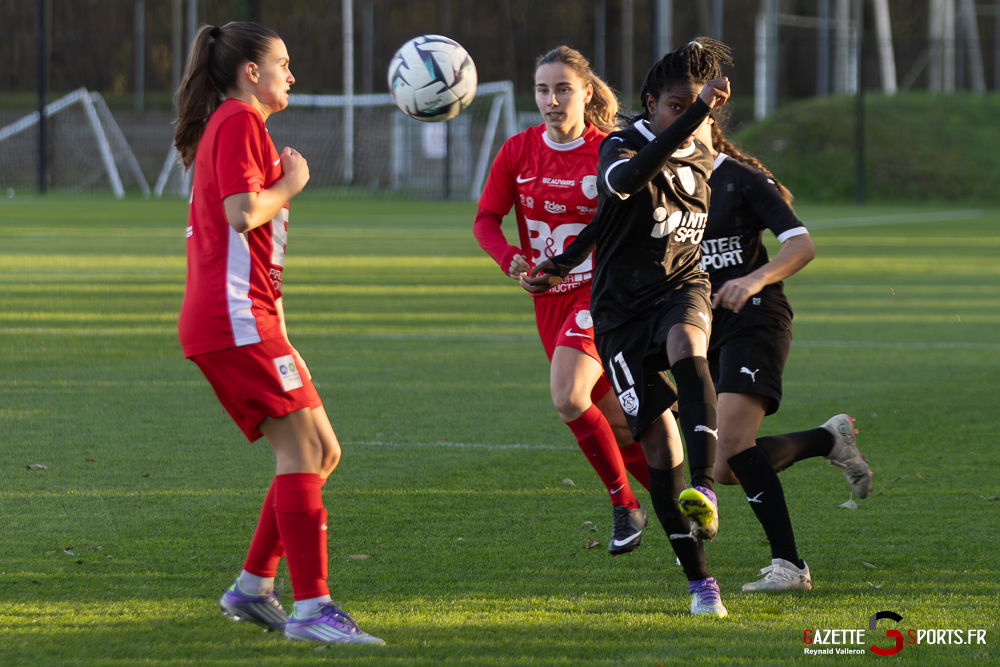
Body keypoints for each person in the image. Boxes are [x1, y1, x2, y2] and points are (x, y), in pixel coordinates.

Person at [174, 21, 382, 645]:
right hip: (231, 318)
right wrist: (292, 182)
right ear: (249, 72)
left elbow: (258, 245)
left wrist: (283, 332)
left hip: (252, 317)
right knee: (301, 454)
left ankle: (253, 586)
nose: (291, 75)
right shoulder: (237, 120)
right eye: (283, 64)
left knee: (323, 450)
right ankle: (312, 610)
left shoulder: (244, 126)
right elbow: (241, 215)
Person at [524, 38, 735, 617]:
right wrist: (563, 265)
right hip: (618, 313)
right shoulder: (620, 144)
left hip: (680, 286)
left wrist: (698, 123)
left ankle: (708, 488)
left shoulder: (703, 151)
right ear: (650, 105)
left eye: (697, 107)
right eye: (675, 106)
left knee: (689, 344)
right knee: (658, 447)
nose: (689, 116)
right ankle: (700, 583)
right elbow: (617, 194)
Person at [473, 46, 652, 556]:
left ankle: (625, 505)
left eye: (563, 89)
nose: (551, 100)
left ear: (586, 93)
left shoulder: (610, 151)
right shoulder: (518, 150)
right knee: (616, 422)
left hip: (600, 298)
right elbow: (486, 219)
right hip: (547, 302)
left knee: (569, 397)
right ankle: (675, 491)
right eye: (543, 90)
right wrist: (508, 256)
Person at [690, 116, 872, 592]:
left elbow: (801, 244)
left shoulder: (742, 179)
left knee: (729, 442)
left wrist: (754, 278)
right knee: (727, 467)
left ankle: (790, 567)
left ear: (711, 121)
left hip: (756, 318)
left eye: (694, 114)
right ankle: (826, 440)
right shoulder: (670, 182)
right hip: (704, 328)